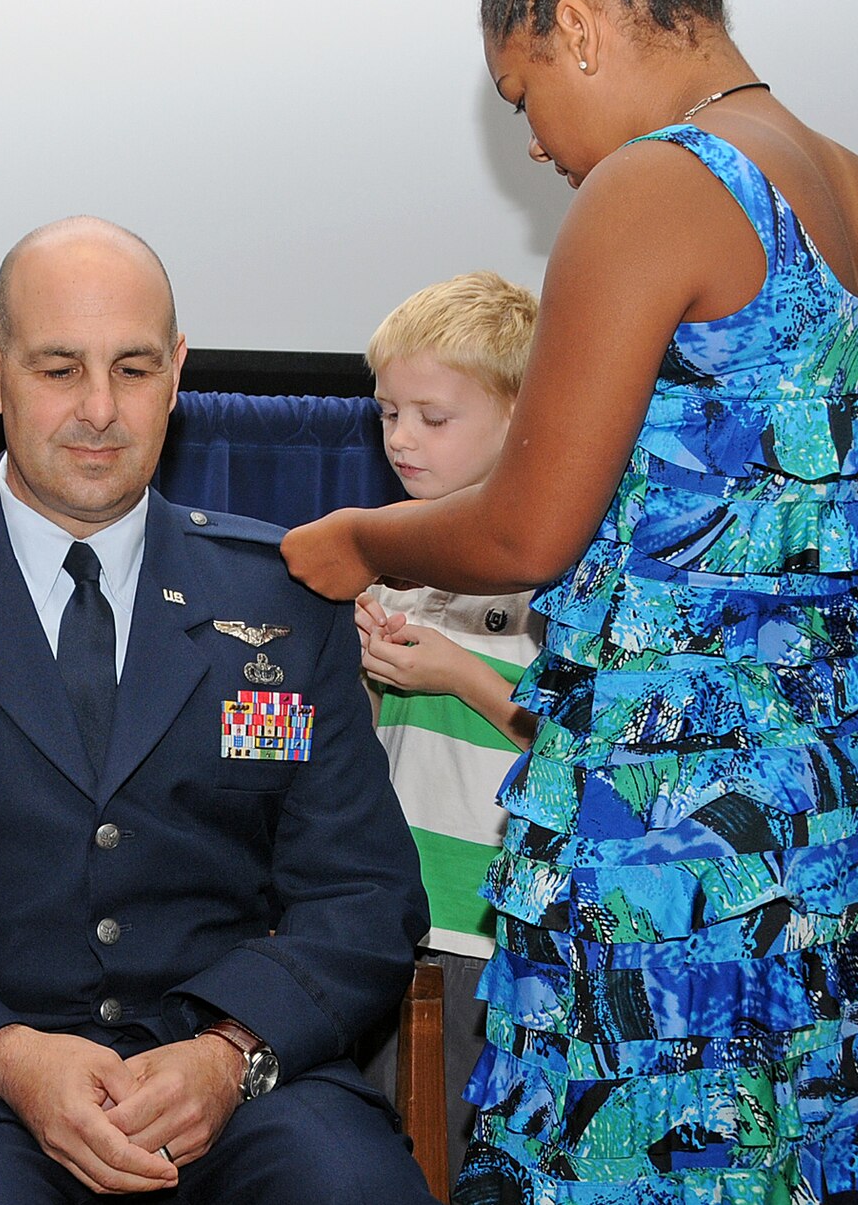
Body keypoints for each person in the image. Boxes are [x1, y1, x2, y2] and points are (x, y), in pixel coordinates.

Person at [283, 0, 858, 1201]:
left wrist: (353, 539)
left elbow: (528, 526)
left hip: (668, 810)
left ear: (578, 26)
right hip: (818, 806)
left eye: (526, 92)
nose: (535, 142)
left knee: (630, 1155)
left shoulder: (655, 189)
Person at [0, 216, 439, 1204]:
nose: (99, 409)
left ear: (178, 370)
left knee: (346, 1186)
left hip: (232, 1093)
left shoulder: (280, 597)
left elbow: (362, 893)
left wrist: (229, 1055)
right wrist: (7, 1055)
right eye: (59, 368)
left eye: (133, 369)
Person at [352, 271, 541, 1182]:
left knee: (469, 1158)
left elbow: (574, 748)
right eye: (389, 413)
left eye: (433, 416)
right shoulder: (399, 556)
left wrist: (456, 672)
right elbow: (371, 744)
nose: (401, 439)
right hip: (392, 915)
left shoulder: (559, 572)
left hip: (487, 926)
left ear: (520, 414)